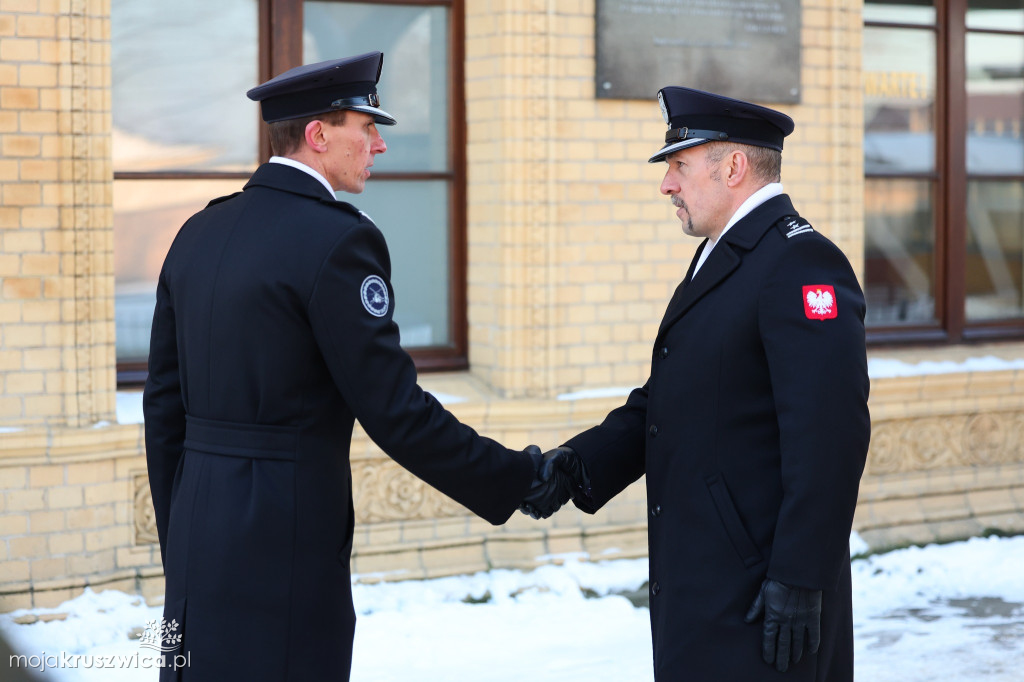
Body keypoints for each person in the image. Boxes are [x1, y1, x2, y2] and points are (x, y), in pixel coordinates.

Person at [143, 52, 553, 682]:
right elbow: (395, 410)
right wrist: (516, 478)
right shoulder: (338, 240)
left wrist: (183, 534)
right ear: (318, 135)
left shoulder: (199, 230)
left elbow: (164, 405)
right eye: (367, 128)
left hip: (199, 530)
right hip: (286, 534)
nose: (379, 146)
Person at [524, 87, 870, 681]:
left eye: (679, 166)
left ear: (733, 166)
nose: (667, 186)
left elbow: (830, 435)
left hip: (762, 597)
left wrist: (800, 576)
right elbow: (677, 396)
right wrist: (583, 463)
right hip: (709, 586)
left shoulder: (799, 263)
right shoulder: (726, 254)